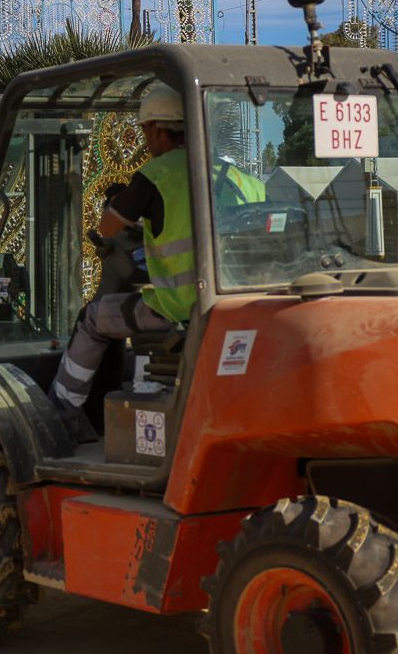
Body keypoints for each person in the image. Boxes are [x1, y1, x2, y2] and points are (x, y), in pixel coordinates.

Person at [49, 85, 264, 441]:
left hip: (180, 307)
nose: (147, 139)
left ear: (157, 130)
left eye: (147, 131)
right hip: (236, 307)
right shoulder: (242, 178)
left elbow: (107, 226)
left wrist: (121, 202)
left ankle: (60, 417)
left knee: (92, 319)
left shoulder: (156, 176)